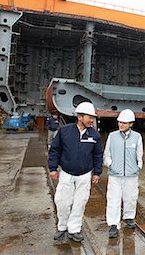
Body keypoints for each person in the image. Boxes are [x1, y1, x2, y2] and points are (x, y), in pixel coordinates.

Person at [48, 101, 103, 242]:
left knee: (80, 202)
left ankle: (74, 229)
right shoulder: (64, 131)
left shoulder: (94, 135)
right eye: (89, 117)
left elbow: (97, 155)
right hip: (66, 173)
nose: (92, 120)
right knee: (62, 202)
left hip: (84, 175)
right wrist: (53, 168)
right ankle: (62, 227)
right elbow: (55, 150)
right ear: (80, 117)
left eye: (93, 117)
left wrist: (97, 172)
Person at [104, 109, 143, 238]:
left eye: (124, 123)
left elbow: (139, 153)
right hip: (115, 174)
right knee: (113, 199)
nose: (121, 125)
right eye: (119, 122)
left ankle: (129, 217)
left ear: (131, 124)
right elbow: (107, 152)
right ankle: (113, 224)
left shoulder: (137, 137)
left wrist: (138, 166)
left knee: (130, 197)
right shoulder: (112, 136)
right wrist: (110, 164)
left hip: (131, 175)